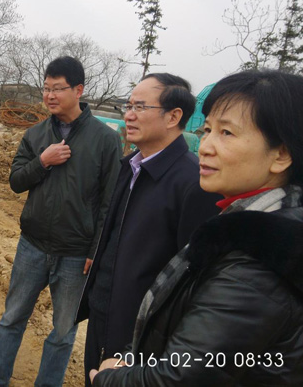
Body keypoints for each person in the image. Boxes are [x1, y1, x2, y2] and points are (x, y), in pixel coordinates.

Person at [90, 69, 303, 386]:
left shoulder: (260, 261)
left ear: (281, 154)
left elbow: (184, 374)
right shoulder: (244, 223)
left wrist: (110, 379)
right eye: (207, 130)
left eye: (226, 133)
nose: (205, 146)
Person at [0, 56, 122, 387]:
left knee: (62, 332)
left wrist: (96, 251)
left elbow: (110, 202)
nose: (49, 95)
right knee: (11, 319)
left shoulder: (105, 140)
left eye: (57, 88)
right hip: (32, 246)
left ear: (78, 90)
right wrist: (42, 162)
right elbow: (16, 181)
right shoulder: (35, 134)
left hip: (75, 254)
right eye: (46, 88)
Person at [76, 73, 221, 387]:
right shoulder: (131, 165)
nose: (129, 115)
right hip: (103, 312)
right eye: (128, 106)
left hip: (138, 336)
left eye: (140, 107)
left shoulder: (194, 183)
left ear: (173, 116)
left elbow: (193, 283)